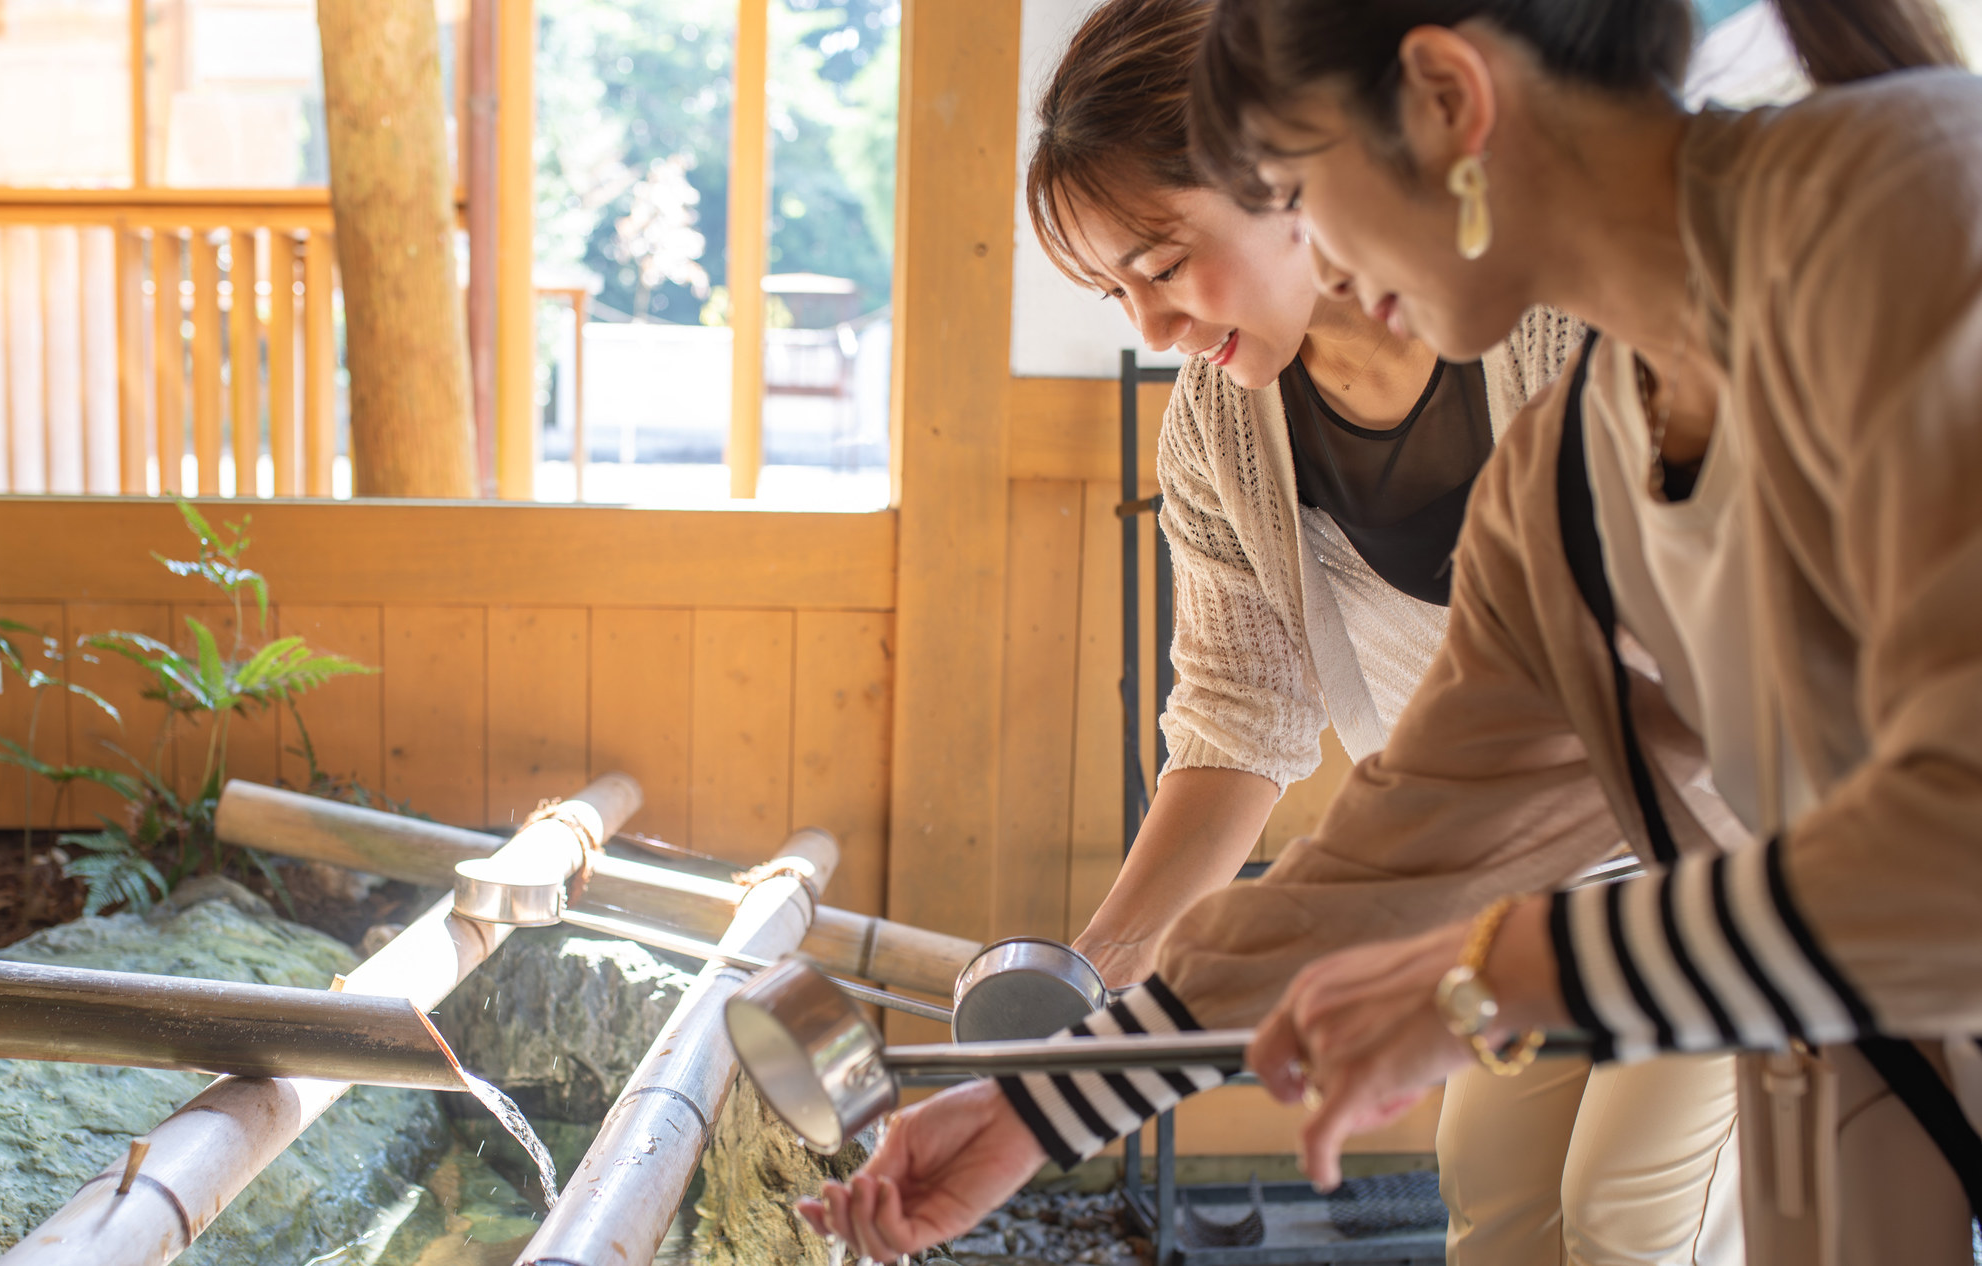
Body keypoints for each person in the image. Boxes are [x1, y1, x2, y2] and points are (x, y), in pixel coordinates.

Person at [803, 1, 1978, 1263]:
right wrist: (1049, 1096)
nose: (1313, 245)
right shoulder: (1567, 471)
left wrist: (1525, 970)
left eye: (1300, 184)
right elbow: (1416, 838)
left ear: (1448, 104)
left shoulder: (1904, 216)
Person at [1015, 3, 1740, 1263]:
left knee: (1627, 1208)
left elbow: (1670, 705)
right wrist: (1104, 973)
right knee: (1496, 1197)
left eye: (1166, 262)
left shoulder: (1581, 317)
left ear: (1289, 173)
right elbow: (1240, 718)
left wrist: (1311, 945)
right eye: (1110, 289)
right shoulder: (1218, 429)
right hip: (1505, 871)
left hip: (1728, 840)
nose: (1152, 326)